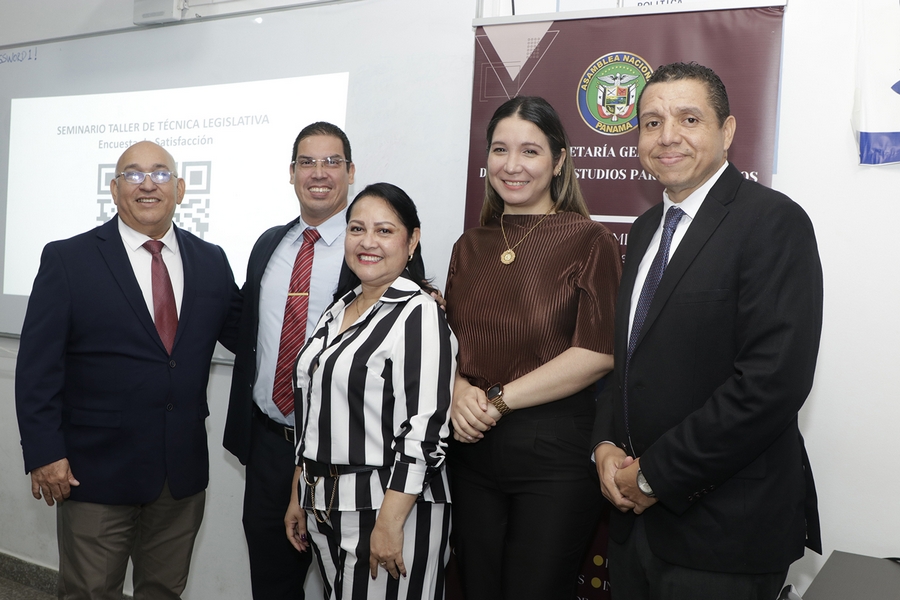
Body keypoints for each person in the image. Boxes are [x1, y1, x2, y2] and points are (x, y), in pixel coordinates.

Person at [592, 62, 823, 600]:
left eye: (689, 119)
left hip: (724, 534)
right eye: (652, 122)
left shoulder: (773, 222)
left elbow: (771, 384)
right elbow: (629, 361)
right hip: (634, 529)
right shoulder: (646, 229)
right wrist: (604, 444)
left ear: (728, 130)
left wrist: (653, 475)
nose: (667, 136)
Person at [15, 141, 242, 599]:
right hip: (94, 470)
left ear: (180, 189)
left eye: (160, 174)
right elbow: (37, 367)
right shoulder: (68, 259)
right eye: (133, 174)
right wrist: (43, 452)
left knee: (163, 590)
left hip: (179, 473)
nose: (147, 184)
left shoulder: (211, 260)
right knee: (89, 591)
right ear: (115, 190)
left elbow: (250, 336)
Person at [446, 96, 621, 600]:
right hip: (470, 451)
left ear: (559, 160)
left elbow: (599, 351)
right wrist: (458, 389)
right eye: (500, 149)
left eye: (530, 150)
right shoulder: (468, 245)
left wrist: (497, 400)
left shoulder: (590, 240)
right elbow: (448, 340)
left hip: (555, 457)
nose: (512, 165)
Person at [284, 182, 457, 600]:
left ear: (411, 241)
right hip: (324, 503)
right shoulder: (340, 308)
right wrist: (299, 493)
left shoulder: (419, 314)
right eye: (357, 229)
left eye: (384, 230)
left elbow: (425, 433)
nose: (367, 242)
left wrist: (390, 523)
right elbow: (315, 411)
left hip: (389, 509)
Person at [223, 122, 355, 599]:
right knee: (273, 585)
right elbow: (248, 328)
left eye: (331, 162)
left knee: (353, 582)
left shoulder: (371, 245)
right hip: (272, 447)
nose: (318, 173)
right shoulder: (269, 244)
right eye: (307, 162)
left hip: (344, 452)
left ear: (350, 172)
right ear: (292, 172)